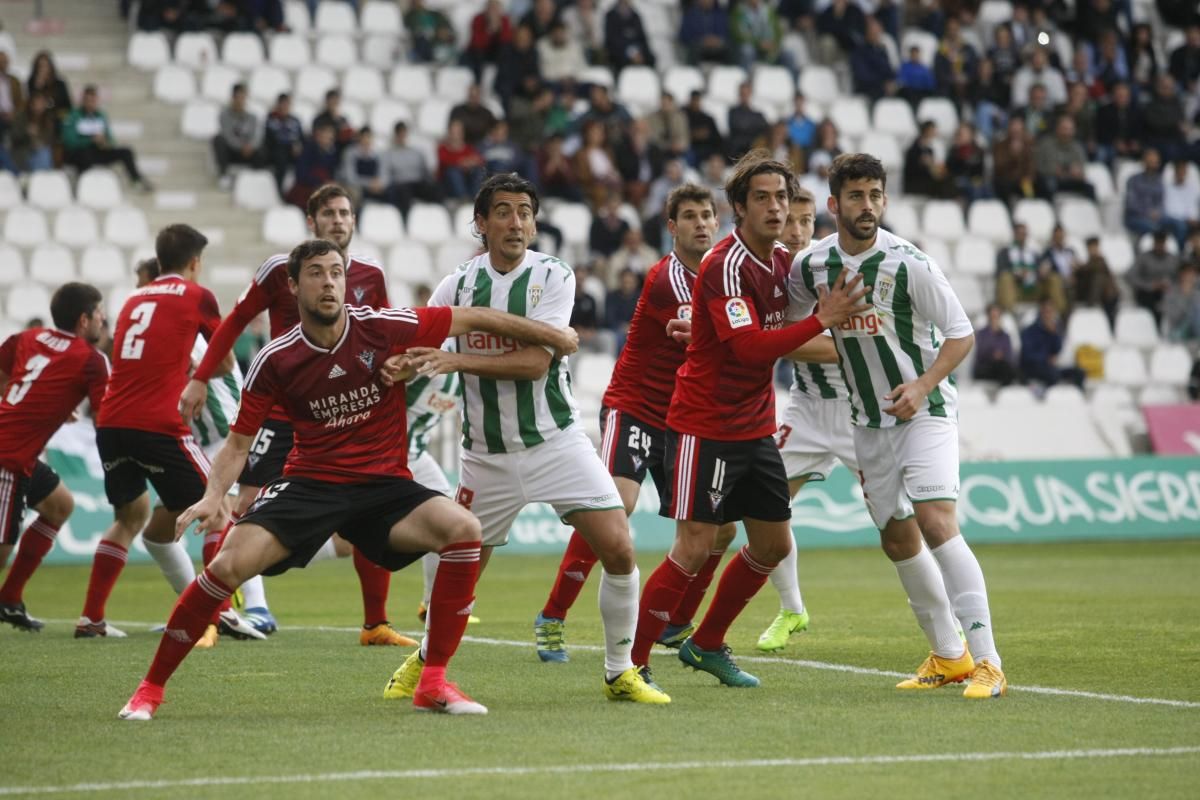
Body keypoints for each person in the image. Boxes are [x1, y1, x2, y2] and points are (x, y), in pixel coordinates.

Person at [117, 237, 580, 721]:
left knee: (464, 530)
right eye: (316, 273)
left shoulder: (383, 327)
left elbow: (471, 317)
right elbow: (237, 443)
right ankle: (149, 689)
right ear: (294, 286)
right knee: (226, 568)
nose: (329, 282)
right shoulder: (275, 358)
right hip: (311, 484)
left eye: (336, 272)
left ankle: (433, 682)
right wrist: (215, 496)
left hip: (384, 486)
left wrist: (550, 334)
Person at [387, 173, 669, 705]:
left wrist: (456, 357)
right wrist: (406, 360)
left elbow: (536, 363)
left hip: (555, 442)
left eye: (524, 211)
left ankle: (619, 672)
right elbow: (419, 336)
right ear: (481, 223)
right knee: (463, 567)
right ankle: (427, 663)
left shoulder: (554, 275)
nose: (515, 222)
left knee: (618, 546)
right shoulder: (457, 285)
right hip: (486, 457)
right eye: (503, 211)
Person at [631, 151, 866, 689]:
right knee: (694, 546)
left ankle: (707, 643)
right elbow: (749, 351)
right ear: (738, 207)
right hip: (704, 426)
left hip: (755, 427)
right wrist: (822, 322)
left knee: (773, 545)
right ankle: (631, 663)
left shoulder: (783, 263)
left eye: (782, 197)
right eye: (761, 197)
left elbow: (754, 339)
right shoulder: (725, 264)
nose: (775, 207)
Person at [790, 152, 1007, 699]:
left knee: (936, 522)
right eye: (857, 197)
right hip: (866, 420)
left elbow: (960, 334)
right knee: (895, 538)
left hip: (924, 413)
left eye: (876, 196)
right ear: (835, 204)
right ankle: (948, 655)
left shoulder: (909, 263)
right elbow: (788, 326)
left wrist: (922, 385)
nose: (869, 207)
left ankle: (989, 661)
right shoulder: (811, 266)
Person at [179, 184, 410, 647]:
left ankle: (375, 624)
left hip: (343, 415)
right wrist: (201, 377)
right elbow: (236, 321)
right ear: (312, 222)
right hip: (283, 411)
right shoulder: (281, 271)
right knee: (242, 505)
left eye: (346, 213)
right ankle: (214, 616)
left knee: (368, 506)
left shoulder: (371, 274)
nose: (339, 221)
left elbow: (387, 340)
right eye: (329, 214)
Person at [535, 185, 728, 661]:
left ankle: (676, 621)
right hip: (636, 405)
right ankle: (553, 616)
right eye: (690, 216)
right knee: (615, 505)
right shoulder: (669, 279)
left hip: (683, 417)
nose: (701, 223)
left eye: (707, 215)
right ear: (672, 228)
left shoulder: (723, 277)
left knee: (718, 529)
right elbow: (718, 345)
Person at [77, 225, 246, 639]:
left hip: (112, 423)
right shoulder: (197, 296)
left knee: (130, 517)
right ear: (194, 263)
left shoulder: (133, 299)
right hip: (157, 425)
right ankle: (218, 613)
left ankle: (91, 618)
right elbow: (222, 361)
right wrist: (199, 375)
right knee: (218, 505)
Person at [133, 258, 274, 637]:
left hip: (223, 429)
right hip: (194, 437)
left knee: (221, 513)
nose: (140, 292)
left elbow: (225, 361)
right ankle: (216, 609)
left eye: (142, 283)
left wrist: (188, 375)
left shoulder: (186, 328)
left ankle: (228, 612)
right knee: (157, 533)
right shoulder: (152, 333)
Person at [755, 187, 861, 651]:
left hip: (861, 410)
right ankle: (793, 609)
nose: (795, 231)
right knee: (764, 507)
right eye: (789, 221)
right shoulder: (774, 269)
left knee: (903, 521)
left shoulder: (831, 265)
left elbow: (847, 347)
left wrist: (769, 340)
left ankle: (951, 623)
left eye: (804, 222)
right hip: (807, 408)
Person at [0, 283, 108, 632]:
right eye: (99, 313)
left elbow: (5, 378)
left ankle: (10, 599)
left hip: (17, 450)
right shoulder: (91, 361)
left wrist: (41, 405)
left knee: (60, 505)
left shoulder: (26, 338)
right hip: (8, 457)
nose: (103, 319)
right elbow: (106, 416)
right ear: (83, 320)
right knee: (1, 550)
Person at [61, 85, 151, 191]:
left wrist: (105, 142)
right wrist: (90, 140)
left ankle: (136, 180)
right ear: (83, 100)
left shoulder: (101, 116)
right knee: (84, 155)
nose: (91, 103)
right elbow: (69, 141)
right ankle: (84, 187)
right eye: (88, 100)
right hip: (79, 153)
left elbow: (110, 138)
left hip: (98, 151)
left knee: (126, 152)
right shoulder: (73, 116)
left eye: (93, 100)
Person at [995, 222, 1066, 313]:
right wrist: (1016, 274)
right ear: (1014, 234)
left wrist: (1043, 271)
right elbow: (1000, 271)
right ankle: (1009, 315)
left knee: (1054, 278)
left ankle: (1059, 316)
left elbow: (1042, 267)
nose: (1022, 236)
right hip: (1016, 289)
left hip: (1034, 287)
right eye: (1019, 233)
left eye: (1024, 234)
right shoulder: (1005, 252)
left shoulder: (1033, 253)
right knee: (1006, 278)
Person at [1020, 300, 1084, 388]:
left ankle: (1077, 398)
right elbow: (1027, 355)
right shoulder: (1029, 331)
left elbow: (1057, 349)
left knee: (1079, 373)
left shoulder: (1054, 330)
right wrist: (1046, 359)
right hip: (1032, 368)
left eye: (1051, 312)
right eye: (1046, 312)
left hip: (1049, 367)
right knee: (1053, 375)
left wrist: (1054, 334)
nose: (1048, 315)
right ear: (1041, 313)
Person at [213, 83, 262, 189]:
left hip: (249, 152)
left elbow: (257, 135)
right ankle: (224, 175)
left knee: (262, 148)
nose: (241, 100)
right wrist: (242, 147)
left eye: (243, 97)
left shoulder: (252, 117)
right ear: (233, 98)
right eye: (238, 97)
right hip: (233, 152)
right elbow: (227, 135)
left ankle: (257, 178)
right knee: (218, 139)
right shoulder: (224, 115)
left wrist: (250, 146)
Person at [1128, 229, 1180, 327]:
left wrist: (1169, 284)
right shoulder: (1143, 257)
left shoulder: (1173, 259)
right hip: (1148, 293)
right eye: (1158, 242)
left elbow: (1180, 277)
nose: (1160, 245)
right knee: (1153, 303)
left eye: (1162, 243)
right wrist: (1150, 285)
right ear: (1154, 243)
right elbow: (1131, 276)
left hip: (1168, 292)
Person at [262, 93, 304, 195]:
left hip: (294, 152)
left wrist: (298, 145)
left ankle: (301, 190)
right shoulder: (271, 118)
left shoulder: (295, 120)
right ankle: (279, 191)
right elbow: (270, 139)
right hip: (276, 151)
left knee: (306, 155)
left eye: (288, 104)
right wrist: (290, 144)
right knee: (281, 154)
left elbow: (302, 138)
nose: (285, 106)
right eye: (283, 104)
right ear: (278, 104)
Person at [972, 303, 1017, 385]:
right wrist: (993, 354)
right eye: (993, 316)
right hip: (986, 367)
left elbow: (1010, 355)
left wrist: (1001, 356)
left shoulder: (1005, 336)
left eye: (996, 316)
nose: (995, 318)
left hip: (1001, 366)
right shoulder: (982, 334)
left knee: (1004, 367)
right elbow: (981, 354)